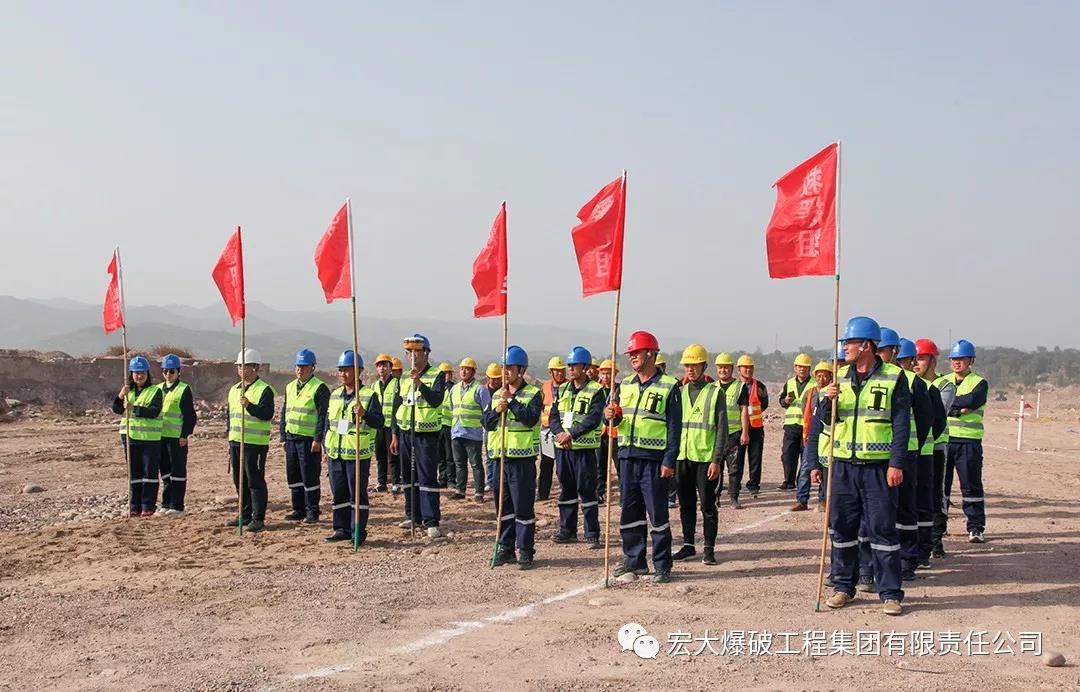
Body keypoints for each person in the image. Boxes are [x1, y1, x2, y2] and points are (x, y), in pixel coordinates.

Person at [807, 316, 910, 616]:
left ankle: (890, 592)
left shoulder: (893, 377)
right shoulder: (839, 379)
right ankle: (842, 586)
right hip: (843, 468)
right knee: (842, 529)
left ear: (866, 345)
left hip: (878, 468)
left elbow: (901, 423)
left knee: (882, 531)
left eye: (849, 342)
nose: (845, 348)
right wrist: (828, 402)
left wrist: (896, 463)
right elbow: (825, 423)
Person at [605, 331, 681, 583]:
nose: (632, 358)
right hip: (627, 456)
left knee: (657, 514)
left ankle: (662, 564)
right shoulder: (624, 385)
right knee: (630, 512)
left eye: (636, 353)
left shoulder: (669, 386)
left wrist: (670, 460)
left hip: (654, 460)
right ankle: (634, 561)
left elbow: (674, 427)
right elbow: (618, 419)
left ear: (651, 353)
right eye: (630, 354)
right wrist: (611, 415)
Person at [484, 345, 544, 569]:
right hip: (500, 458)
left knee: (523, 508)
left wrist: (512, 401)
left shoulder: (533, 394)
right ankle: (506, 548)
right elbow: (487, 423)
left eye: (510, 367)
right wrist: (497, 410)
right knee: (503, 507)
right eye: (503, 367)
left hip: (522, 460)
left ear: (521, 370)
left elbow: (529, 418)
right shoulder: (496, 394)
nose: (505, 372)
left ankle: (526, 550)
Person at [672, 344, 728, 565]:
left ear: (704, 366)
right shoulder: (680, 392)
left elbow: (722, 428)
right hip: (682, 457)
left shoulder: (716, 392)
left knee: (707, 505)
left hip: (706, 459)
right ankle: (688, 545)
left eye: (694, 365)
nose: (690, 369)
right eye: (687, 365)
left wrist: (717, 459)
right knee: (685, 504)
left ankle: (709, 549)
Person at [390, 334, 447, 538]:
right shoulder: (403, 377)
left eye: (416, 351)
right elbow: (397, 407)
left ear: (426, 353)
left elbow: (436, 401)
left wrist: (421, 384)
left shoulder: (436, 375)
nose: (412, 355)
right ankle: (412, 515)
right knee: (409, 477)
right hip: (406, 433)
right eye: (409, 352)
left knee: (426, 478)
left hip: (426, 435)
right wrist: (394, 434)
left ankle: (431, 520)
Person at [323, 350, 383, 543]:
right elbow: (328, 424)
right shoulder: (334, 396)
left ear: (358, 371)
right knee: (338, 493)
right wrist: (326, 448)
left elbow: (379, 422)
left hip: (357, 454)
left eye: (347, 370)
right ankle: (341, 528)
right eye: (340, 370)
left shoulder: (368, 395)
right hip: (336, 453)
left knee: (357, 495)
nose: (343, 374)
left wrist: (364, 413)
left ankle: (358, 530)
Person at [548, 346, 605, 549]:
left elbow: (593, 418)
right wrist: (559, 433)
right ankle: (567, 530)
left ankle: (592, 533)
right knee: (567, 490)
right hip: (563, 448)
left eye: (575, 365)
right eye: (569, 365)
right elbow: (553, 416)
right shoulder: (562, 389)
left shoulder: (596, 390)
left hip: (583, 449)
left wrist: (571, 434)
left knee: (587, 490)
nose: (570, 369)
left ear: (585, 367)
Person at [897, 338, 946, 570]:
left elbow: (934, 421)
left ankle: (923, 549)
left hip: (922, 454)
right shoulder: (897, 381)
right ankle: (918, 549)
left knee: (922, 502)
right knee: (913, 504)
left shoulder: (922, 386)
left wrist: (919, 441)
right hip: (907, 453)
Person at [944, 339, 989, 543]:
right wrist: (959, 409)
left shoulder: (979, 383)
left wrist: (950, 406)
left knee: (971, 486)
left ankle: (976, 527)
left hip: (968, 442)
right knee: (941, 487)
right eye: (954, 358)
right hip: (944, 440)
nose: (956, 362)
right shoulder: (942, 382)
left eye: (961, 358)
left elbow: (972, 401)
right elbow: (938, 401)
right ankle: (939, 526)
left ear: (970, 360)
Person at [914, 338, 955, 558]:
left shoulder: (944, 385)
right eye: (916, 358)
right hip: (915, 449)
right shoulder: (910, 382)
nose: (916, 363)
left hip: (936, 448)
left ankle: (936, 539)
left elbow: (936, 413)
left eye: (921, 358)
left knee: (937, 494)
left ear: (932, 360)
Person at [227, 348, 276, 532]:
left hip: (255, 443)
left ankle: (258, 517)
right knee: (239, 480)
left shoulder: (264, 390)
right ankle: (244, 513)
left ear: (255, 367)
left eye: (245, 365)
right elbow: (230, 416)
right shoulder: (234, 390)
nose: (241, 369)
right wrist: (229, 436)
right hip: (236, 441)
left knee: (254, 480)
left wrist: (249, 406)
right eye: (239, 365)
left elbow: (266, 414)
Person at [280, 349, 330, 524]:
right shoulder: (290, 387)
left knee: (309, 476)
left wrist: (318, 439)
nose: (300, 369)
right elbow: (285, 412)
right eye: (298, 366)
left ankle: (312, 511)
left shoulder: (319, 388)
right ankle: (298, 509)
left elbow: (323, 416)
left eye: (304, 366)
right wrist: (283, 437)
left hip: (308, 440)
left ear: (313, 367)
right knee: (293, 476)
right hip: (292, 437)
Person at [112, 355, 163, 517]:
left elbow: (154, 411)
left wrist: (134, 408)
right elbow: (117, 409)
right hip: (130, 437)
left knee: (149, 473)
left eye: (142, 373)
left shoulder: (155, 391)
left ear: (147, 374)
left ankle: (148, 505)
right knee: (134, 473)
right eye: (135, 373)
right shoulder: (128, 391)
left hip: (150, 439)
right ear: (131, 374)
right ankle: (134, 506)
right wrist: (120, 396)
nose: (139, 376)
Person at [157, 353, 196, 516]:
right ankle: (166, 503)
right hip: (160, 437)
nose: (168, 374)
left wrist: (184, 435)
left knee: (177, 471)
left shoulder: (183, 389)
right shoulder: (158, 389)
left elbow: (190, 415)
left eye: (172, 371)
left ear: (178, 372)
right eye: (165, 371)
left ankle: (177, 505)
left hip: (176, 438)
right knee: (165, 472)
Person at [792, 360, 833, 511]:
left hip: (828, 438)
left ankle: (823, 500)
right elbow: (807, 414)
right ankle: (802, 499)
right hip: (812, 436)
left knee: (826, 469)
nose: (822, 379)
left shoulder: (833, 391)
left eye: (825, 376)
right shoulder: (810, 393)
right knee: (806, 468)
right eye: (819, 376)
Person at [449, 357, 490, 502]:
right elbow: (451, 409)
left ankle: (479, 493)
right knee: (459, 464)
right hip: (457, 432)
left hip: (473, 434)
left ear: (473, 371)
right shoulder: (454, 389)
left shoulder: (480, 389)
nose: (463, 371)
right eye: (462, 368)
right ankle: (460, 490)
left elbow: (487, 411)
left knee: (476, 464)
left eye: (467, 369)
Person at [733, 355, 768, 501]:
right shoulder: (734, 386)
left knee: (755, 459)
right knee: (737, 458)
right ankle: (736, 485)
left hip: (756, 427)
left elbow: (764, 403)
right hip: (738, 427)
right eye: (745, 367)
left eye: (750, 367)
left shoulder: (759, 386)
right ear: (738, 369)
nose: (748, 370)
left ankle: (753, 485)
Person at [714, 353, 746, 508]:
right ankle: (716, 497)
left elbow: (744, 410)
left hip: (733, 434)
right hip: (716, 435)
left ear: (732, 368)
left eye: (726, 367)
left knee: (734, 468)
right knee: (716, 467)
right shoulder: (712, 387)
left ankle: (734, 497)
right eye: (720, 367)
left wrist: (745, 432)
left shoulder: (740, 387)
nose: (723, 370)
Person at [778, 353, 814, 490]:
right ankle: (789, 481)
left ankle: (802, 482)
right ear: (795, 367)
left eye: (805, 367)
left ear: (809, 368)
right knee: (788, 455)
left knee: (805, 456)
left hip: (807, 426)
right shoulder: (789, 383)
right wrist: (785, 401)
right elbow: (781, 401)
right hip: (791, 426)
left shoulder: (814, 383)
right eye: (800, 367)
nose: (802, 369)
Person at [537, 357, 566, 502]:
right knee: (546, 464)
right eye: (557, 371)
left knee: (563, 466)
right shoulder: (545, 387)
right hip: (546, 430)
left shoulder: (569, 386)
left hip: (562, 431)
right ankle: (543, 494)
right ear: (551, 372)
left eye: (562, 371)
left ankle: (565, 492)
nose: (560, 373)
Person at [372, 353, 401, 494]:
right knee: (380, 455)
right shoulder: (374, 386)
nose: (382, 368)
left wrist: (396, 430)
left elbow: (397, 407)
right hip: (378, 427)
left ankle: (395, 483)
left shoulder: (396, 383)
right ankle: (381, 482)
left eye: (385, 365)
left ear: (390, 368)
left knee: (393, 455)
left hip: (391, 426)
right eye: (379, 366)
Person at [597, 358, 620, 504]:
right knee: (600, 466)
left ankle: (624, 493)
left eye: (609, 373)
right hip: (600, 433)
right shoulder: (596, 390)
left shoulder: (619, 390)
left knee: (620, 466)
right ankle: (599, 492)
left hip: (615, 433)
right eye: (604, 373)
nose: (606, 377)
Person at [437, 362, 456, 489]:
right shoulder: (437, 388)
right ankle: (442, 479)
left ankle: (451, 479)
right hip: (438, 426)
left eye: (447, 373)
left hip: (449, 425)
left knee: (450, 455)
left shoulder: (452, 388)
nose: (445, 376)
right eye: (443, 373)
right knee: (440, 455)